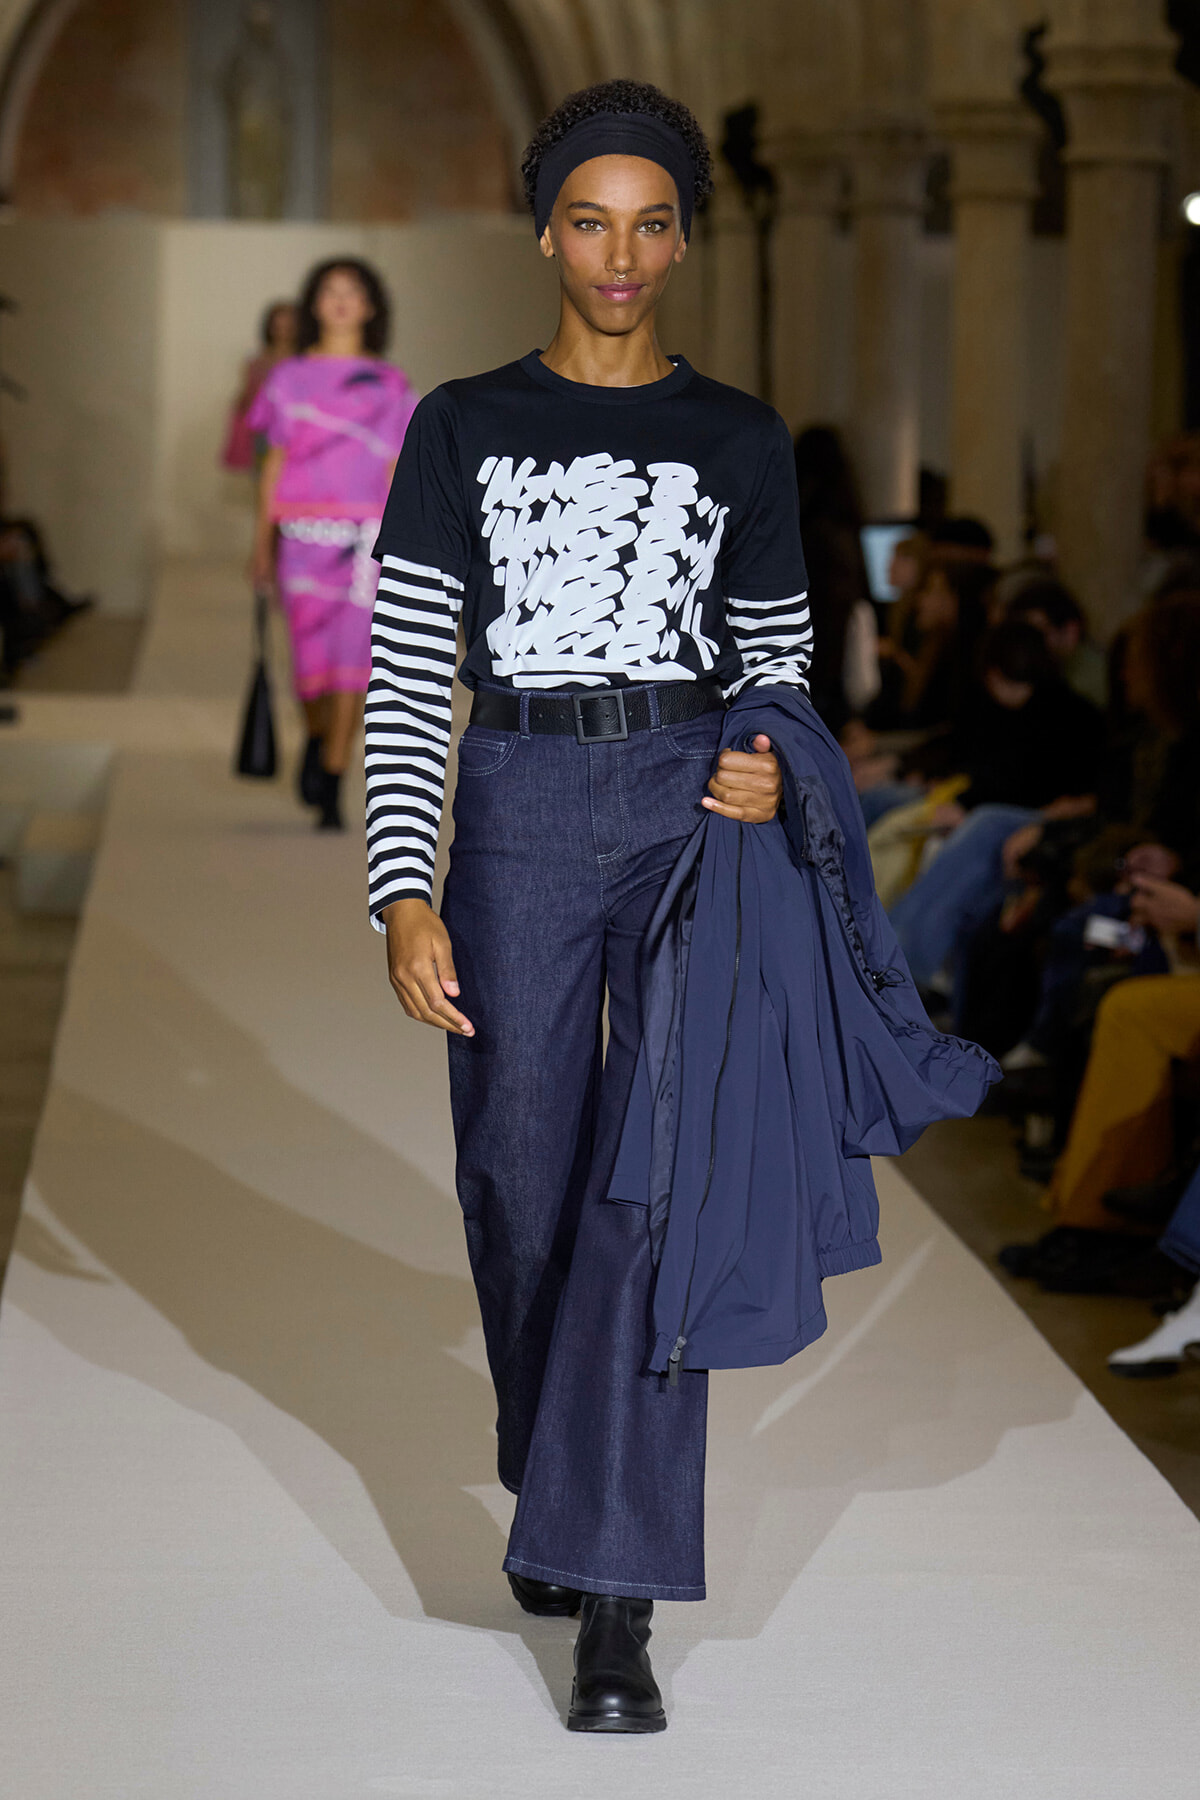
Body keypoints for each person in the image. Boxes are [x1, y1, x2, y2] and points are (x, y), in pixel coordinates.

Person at [365, 80, 814, 1733]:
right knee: (519, 1168)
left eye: (652, 225)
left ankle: (616, 1600)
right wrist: (401, 886)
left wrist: (768, 754)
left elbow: (780, 658)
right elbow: (414, 677)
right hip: (520, 802)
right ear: (545, 230)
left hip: (692, 800)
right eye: (590, 222)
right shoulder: (459, 425)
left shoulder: (742, 436)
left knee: (655, 1190)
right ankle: (555, 1460)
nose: (620, 255)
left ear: (683, 239)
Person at [248, 261, 418, 828]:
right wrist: (260, 543)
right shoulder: (288, 379)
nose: (342, 301)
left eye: (354, 292)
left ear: (371, 307)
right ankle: (319, 739)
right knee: (308, 665)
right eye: (330, 291)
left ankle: (336, 770)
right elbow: (272, 462)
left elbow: (398, 468)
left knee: (355, 662)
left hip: (365, 537)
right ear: (313, 305)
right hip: (301, 535)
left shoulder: (392, 386)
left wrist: (404, 544)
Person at [221, 298, 298, 472]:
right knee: (264, 477)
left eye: (288, 325)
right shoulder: (256, 359)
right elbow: (246, 394)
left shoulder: (304, 360)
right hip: (263, 431)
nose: (283, 331)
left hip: (295, 430)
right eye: (278, 325)